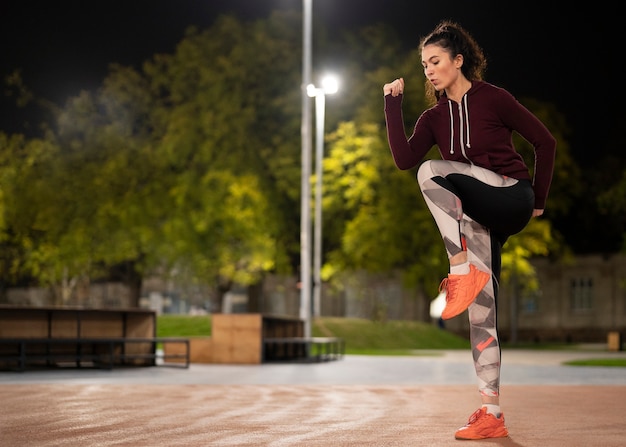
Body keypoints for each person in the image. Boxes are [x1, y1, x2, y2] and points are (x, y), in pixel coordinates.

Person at [383, 20, 556, 440]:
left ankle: (459, 267)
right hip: (479, 217)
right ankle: (491, 412)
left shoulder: (493, 98)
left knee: (432, 170)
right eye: (424, 64)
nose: (428, 70)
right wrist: (391, 105)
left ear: (459, 61)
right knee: (482, 314)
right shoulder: (434, 117)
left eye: (436, 61)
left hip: (512, 196)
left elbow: (545, 142)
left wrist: (537, 201)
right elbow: (404, 159)